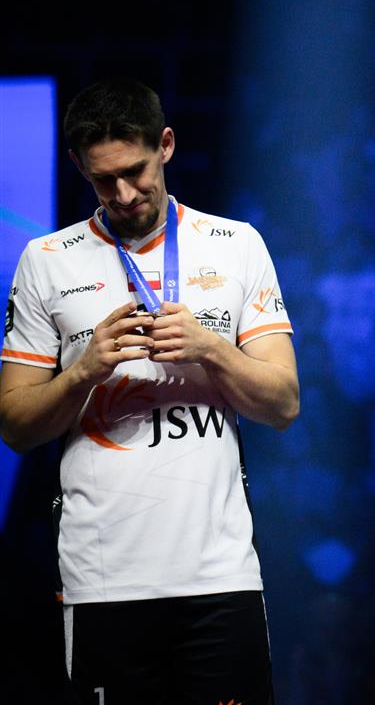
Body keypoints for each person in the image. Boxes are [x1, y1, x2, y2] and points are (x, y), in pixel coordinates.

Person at [0, 78, 298, 703]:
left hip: (220, 576)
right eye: (103, 180)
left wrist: (209, 348)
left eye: (134, 172)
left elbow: (283, 403)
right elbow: (16, 426)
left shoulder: (237, 244)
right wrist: (83, 371)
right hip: (103, 579)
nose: (124, 194)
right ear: (78, 166)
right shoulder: (46, 259)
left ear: (165, 145)